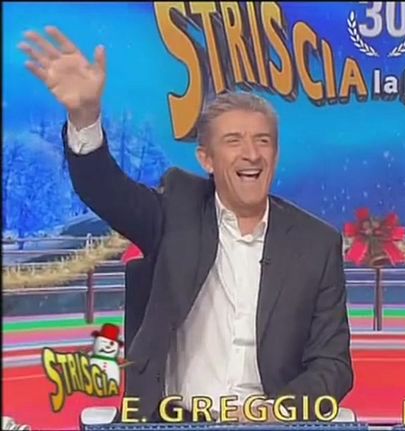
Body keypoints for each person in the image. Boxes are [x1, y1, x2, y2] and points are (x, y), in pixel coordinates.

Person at [19, 27, 352, 423]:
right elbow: (104, 189)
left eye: (263, 141)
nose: (251, 154)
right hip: (171, 421)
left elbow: (333, 366)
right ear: (206, 159)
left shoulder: (316, 244)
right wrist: (84, 117)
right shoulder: (175, 211)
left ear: (275, 155)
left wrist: (271, 412)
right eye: (234, 140)